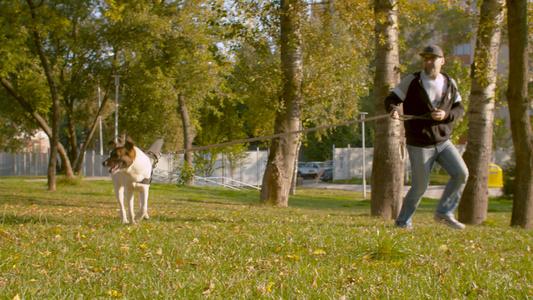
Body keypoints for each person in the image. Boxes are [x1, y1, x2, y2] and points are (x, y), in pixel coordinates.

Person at [385, 45, 469, 229]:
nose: (428, 62)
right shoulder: (412, 81)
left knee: (461, 173)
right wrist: (394, 111)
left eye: (433, 58)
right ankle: (402, 222)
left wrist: (446, 116)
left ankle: (444, 213)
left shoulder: (449, 82)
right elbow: (391, 99)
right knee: (420, 187)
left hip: (443, 142)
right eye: (426, 59)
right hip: (420, 144)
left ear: (442, 60)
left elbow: (459, 107)